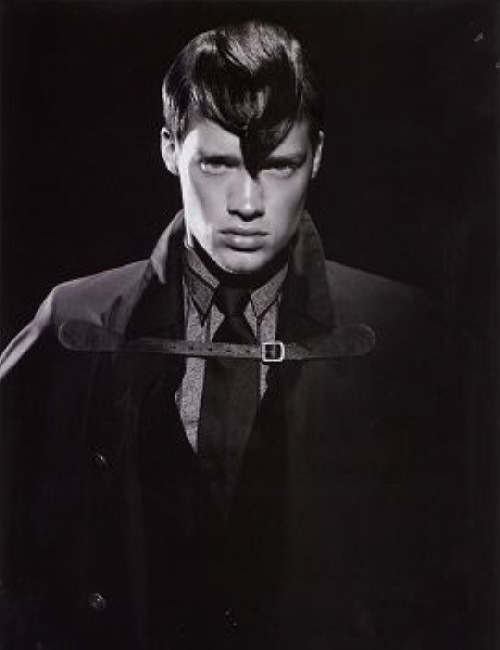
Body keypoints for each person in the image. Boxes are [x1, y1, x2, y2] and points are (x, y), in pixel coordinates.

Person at [0, 19, 464, 650]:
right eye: (217, 164)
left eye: (279, 166)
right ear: (170, 149)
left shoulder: (404, 335)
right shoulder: (74, 324)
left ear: (317, 156)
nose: (247, 203)